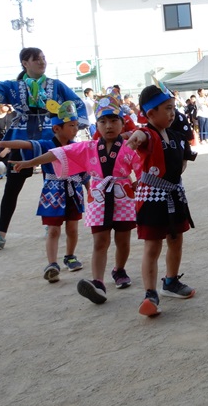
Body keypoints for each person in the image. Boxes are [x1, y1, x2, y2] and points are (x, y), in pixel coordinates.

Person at [0, 48, 87, 251]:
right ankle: (0, 235)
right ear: (24, 63)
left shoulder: (56, 85)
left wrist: (72, 125)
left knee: (57, 182)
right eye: (36, 59)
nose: (42, 62)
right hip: (21, 137)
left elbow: (77, 104)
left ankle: (54, 225)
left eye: (43, 58)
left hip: (51, 137)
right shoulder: (13, 87)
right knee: (12, 186)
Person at [12, 94, 141, 305]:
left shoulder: (129, 147)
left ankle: (119, 270)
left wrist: (136, 185)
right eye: (103, 121)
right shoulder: (88, 147)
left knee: (123, 240)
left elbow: (142, 171)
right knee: (100, 241)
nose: (108, 126)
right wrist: (31, 163)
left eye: (114, 121)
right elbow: (58, 153)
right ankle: (97, 282)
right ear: (96, 124)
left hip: (122, 196)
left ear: (122, 122)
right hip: (98, 199)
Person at [0, 100, 85, 282]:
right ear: (56, 128)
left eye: (76, 126)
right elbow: (25, 144)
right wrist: (1, 143)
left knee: (72, 228)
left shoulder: (76, 146)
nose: (75, 129)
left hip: (74, 190)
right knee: (53, 230)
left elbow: (84, 172)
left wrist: (91, 189)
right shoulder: (46, 144)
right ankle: (52, 264)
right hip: (53, 193)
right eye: (71, 125)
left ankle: (70, 256)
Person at [126, 83, 197, 317]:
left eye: (173, 108)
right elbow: (140, 135)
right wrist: (136, 135)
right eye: (167, 108)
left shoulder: (175, 135)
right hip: (152, 197)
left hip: (174, 194)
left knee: (176, 239)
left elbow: (186, 158)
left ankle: (171, 281)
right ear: (150, 114)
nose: (171, 113)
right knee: (153, 245)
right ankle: (150, 293)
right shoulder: (148, 134)